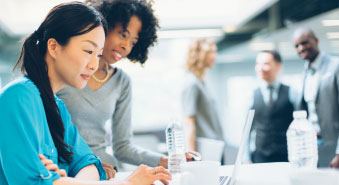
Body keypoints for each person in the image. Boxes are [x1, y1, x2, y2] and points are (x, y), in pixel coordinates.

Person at [0, 2, 171, 185]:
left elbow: (89, 164)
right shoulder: (17, 97)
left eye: (98, 55)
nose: (93, 65)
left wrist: (67, 182)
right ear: (54, 47)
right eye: (88, 51)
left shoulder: (57, 107)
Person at [57, 0, 198, 171]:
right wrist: (87, 166)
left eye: (133, 41)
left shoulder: (121, 82)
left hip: (108, 171)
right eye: (123, 35)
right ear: (104, 25)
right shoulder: (65, 70)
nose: (126, 46)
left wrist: (169, 161)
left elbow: (122, 147)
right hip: (68, 171)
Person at [293, 28, 339, 168]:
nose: (301, 48)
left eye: (304, 42)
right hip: (313, 148)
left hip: (334, 147)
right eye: (296, 46)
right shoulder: (305, 72)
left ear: (316, 41)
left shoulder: (335, 66)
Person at [246, 50, 295, 163]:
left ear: (278, 66)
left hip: (287, 156)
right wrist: (246, 158)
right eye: (258, 64)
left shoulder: (292, 92)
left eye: (266, 64)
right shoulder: (251, 95)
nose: (260, 68)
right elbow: (246, 129)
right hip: (260, 157)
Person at [181, 38, 225, 163]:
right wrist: (192, 158)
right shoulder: (191, 83)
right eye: (211, 52)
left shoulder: (201, 82)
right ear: (200, 55)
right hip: (205, 152)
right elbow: (189, 121)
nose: (214, 56)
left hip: (214, 148)